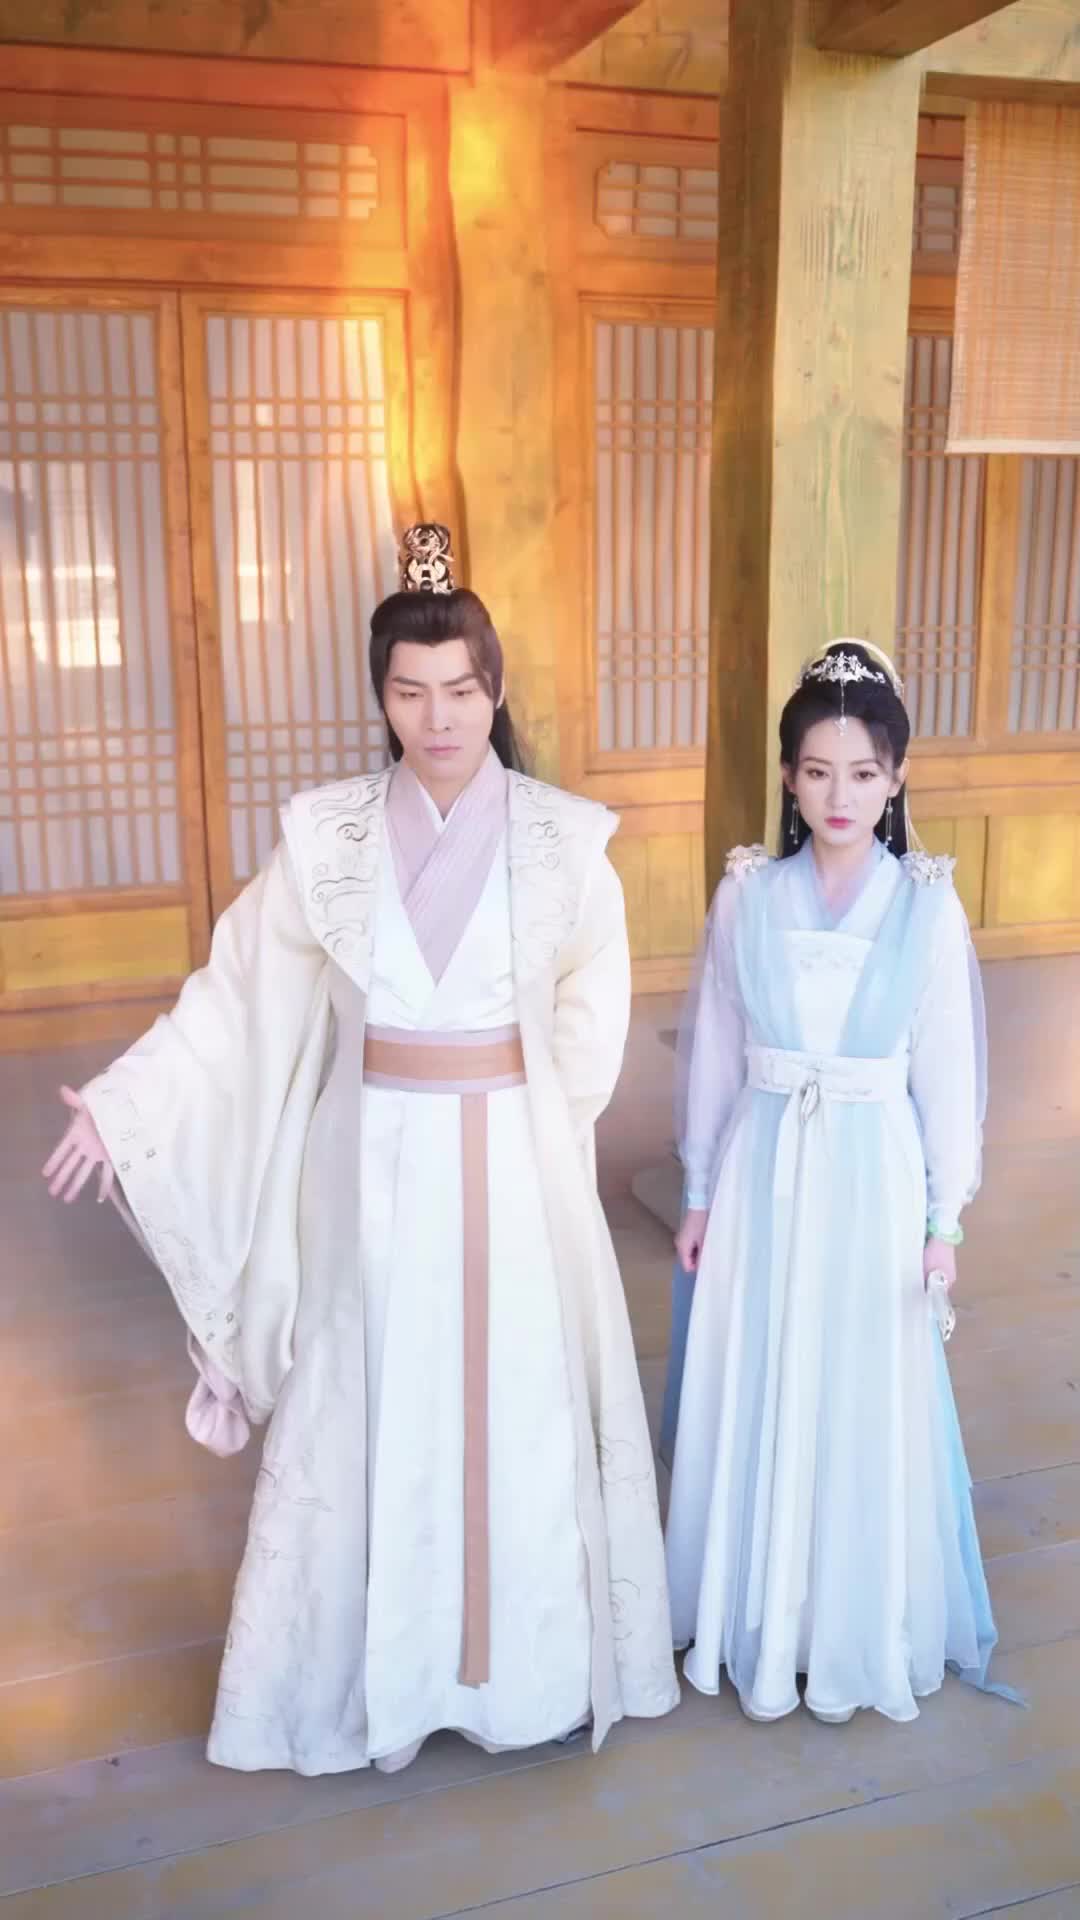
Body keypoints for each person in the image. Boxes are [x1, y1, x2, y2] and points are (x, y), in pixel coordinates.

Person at [43, 524, 678, 1776]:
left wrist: (543, 1140)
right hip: (368, 1168)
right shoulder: (327, 839)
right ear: (380, 697)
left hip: (510, 1162)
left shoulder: (564, 841)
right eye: (410, 692)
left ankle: (523, 1680)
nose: (438, 719)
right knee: (369, 1403)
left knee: (514, 1411)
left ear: (495, 690)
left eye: (461, 691)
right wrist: (122, 1106)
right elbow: (235, 993)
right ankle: (370, 1682)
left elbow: (590, 1011)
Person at [664, 639, 1004, 1726]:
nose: (839, 796)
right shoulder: (747, 896)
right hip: (764, 1168)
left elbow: (946, 1072)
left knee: (857, 1382)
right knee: (765, 1366)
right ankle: (759, 1614)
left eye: (863, 773)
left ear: (897, 779)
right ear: (787, 777)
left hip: (870, 1174)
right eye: (817, 771)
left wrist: (944, 1217)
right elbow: (717, 1054)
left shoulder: (926, 906)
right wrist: (700, 1190)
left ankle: (849, 1622)